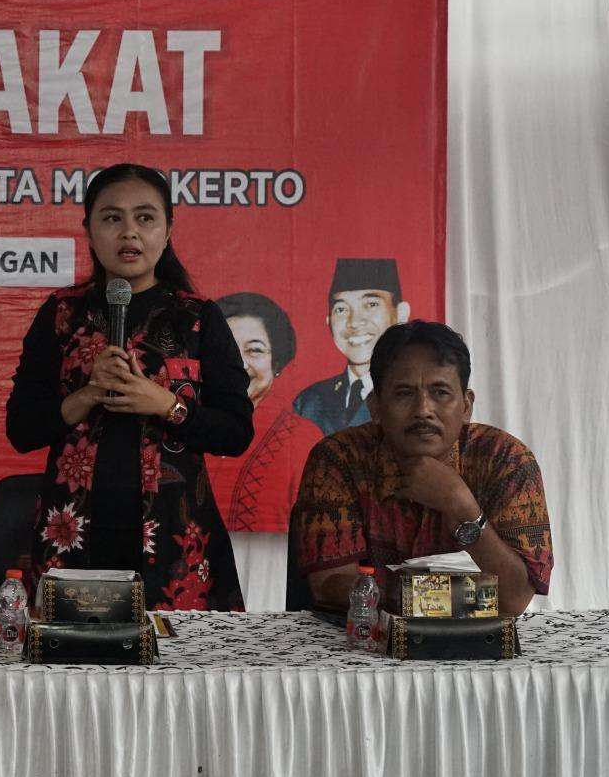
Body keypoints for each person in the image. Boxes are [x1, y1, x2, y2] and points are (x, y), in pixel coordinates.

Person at [6, 163, 254, 611]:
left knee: (175, 657)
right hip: (72, 535)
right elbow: (21, 429)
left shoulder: (198, 319)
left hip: (174, 540)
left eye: (145, 217)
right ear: (89, 230)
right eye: (112, 218)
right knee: (69, 653)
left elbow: (235, 432)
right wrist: (86, 395)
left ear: (168, 229)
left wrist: (165, 404)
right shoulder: (62, 314)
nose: (129, 232)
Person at [291, 320, 553, 616]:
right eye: (404, 393)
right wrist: (456, 596)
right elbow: (330, 586)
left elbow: (513, 600)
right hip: (361, 640)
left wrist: (461, 505)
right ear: (375, 406)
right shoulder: (338, 459)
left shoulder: (507, 460)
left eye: (440, 392)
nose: (423, 410)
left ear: (466, 406)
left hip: (476, 642)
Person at [206, 292, 325, 532]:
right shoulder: (188, 424)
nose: (240, 364)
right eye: (227, 349)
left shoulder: (302, 438)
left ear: (277, 363)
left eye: (255, 350)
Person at [292, 257, 410, 435]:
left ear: (401, 314)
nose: (354, 322)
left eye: (371, 304)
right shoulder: (310, 401)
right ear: (329, 322)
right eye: (341, 309)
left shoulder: (416, 396)